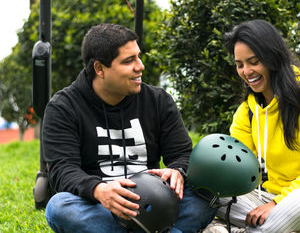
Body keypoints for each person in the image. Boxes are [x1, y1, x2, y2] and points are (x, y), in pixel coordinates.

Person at [42, 23, 216, 232]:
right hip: (101, 206)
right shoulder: (63, 107)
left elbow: (182, 154)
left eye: (138, 56)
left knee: (208, 194)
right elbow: (63, 170)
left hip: (157, 202)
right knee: (59, 207)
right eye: (128, 61)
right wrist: (98, 189)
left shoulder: (158, 100)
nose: (140, 66)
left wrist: (178, 171)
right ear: (99, 69)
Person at [213, 20, 300, 233]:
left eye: (253, 61)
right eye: (240, 64)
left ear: (273, 57)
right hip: (266, 201)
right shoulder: (247, 112)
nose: (246, 71)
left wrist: (278, 203)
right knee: (209, 192)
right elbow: (241, 170)